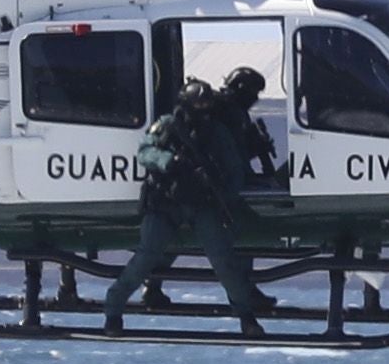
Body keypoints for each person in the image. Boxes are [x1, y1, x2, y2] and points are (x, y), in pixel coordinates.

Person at [102, 70, 278, 320]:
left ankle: (246, 316)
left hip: (203, 204)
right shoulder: (169, 125)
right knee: (146, 258)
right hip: (166, 202)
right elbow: (146, 152)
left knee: (223, 260)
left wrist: (222, 191)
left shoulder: (217, 129)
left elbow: (233, 164)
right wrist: (169, 162)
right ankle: (113, 309)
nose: (204, 111)